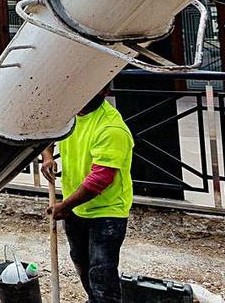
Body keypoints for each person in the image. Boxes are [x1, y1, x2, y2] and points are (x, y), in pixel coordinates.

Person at [41, 84, 133, 303]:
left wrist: (65, 206)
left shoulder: (111, 128)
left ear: (103, 93)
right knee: (81, 261)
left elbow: (100, 179)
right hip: (76, 207)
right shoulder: (69, 115)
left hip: (107, 212)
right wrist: (47, 157)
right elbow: (47, 136)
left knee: (101, 272)